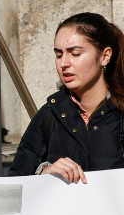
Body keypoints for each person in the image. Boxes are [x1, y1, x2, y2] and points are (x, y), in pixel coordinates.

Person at [9, 13, 124, 182]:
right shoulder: (50, 114)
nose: (64, 63)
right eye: (58, 54)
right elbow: (16, 182)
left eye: (75, 53)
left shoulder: (120, 113)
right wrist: (44, 173)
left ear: (105, 56)